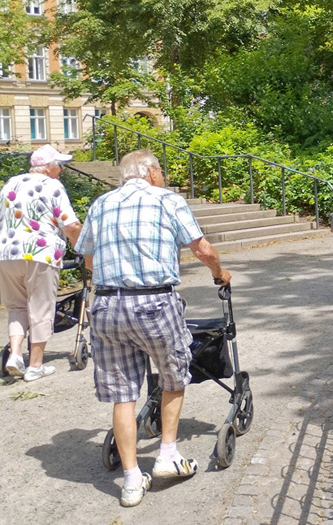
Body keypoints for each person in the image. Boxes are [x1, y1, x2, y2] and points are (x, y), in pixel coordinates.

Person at [74, 149, 232, 507]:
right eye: (160, 170)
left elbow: (87, 257)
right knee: (173, 376)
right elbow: (202, 248)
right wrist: (219, 274)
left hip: (108, 305)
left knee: (122, 393)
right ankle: (167, 456)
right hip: (154, 302)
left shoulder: (101, 203)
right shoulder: (166, 200)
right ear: (150, 172)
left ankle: (131, 480)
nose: (162, 176)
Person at [0, 144, 82, 382]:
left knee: (17, 307)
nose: (61, 170)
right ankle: (35, 365)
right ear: (49, 168)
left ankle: (16, 354)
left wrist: (1, 241)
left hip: (6, 254)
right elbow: (70, 225)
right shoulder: (52, 185)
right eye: (59, 166)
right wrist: (78, 245)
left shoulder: (12, 182)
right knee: (40, 307)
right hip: (40, 253)